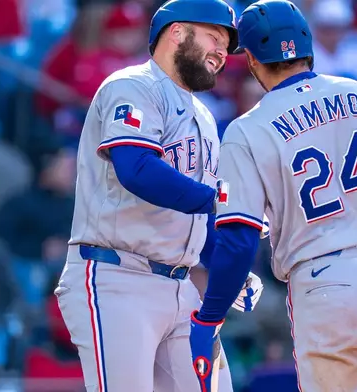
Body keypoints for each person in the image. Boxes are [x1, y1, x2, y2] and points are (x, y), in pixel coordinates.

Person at [188, 1, 357, 391]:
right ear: (307, 42)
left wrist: (210, 317)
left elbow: (239, 240)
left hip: (326, 280)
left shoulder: (247, 129)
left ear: (253, 59)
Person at [53, 0, 263, 391]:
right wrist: (217, 199)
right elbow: (137, 170)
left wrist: (228, 268)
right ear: (177, 33)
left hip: (180, 287)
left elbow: (199, 216)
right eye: (214, 38)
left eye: (226, 46)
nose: (222, 52)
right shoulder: (132, 85)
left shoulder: (203, 116)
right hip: (117, 277)